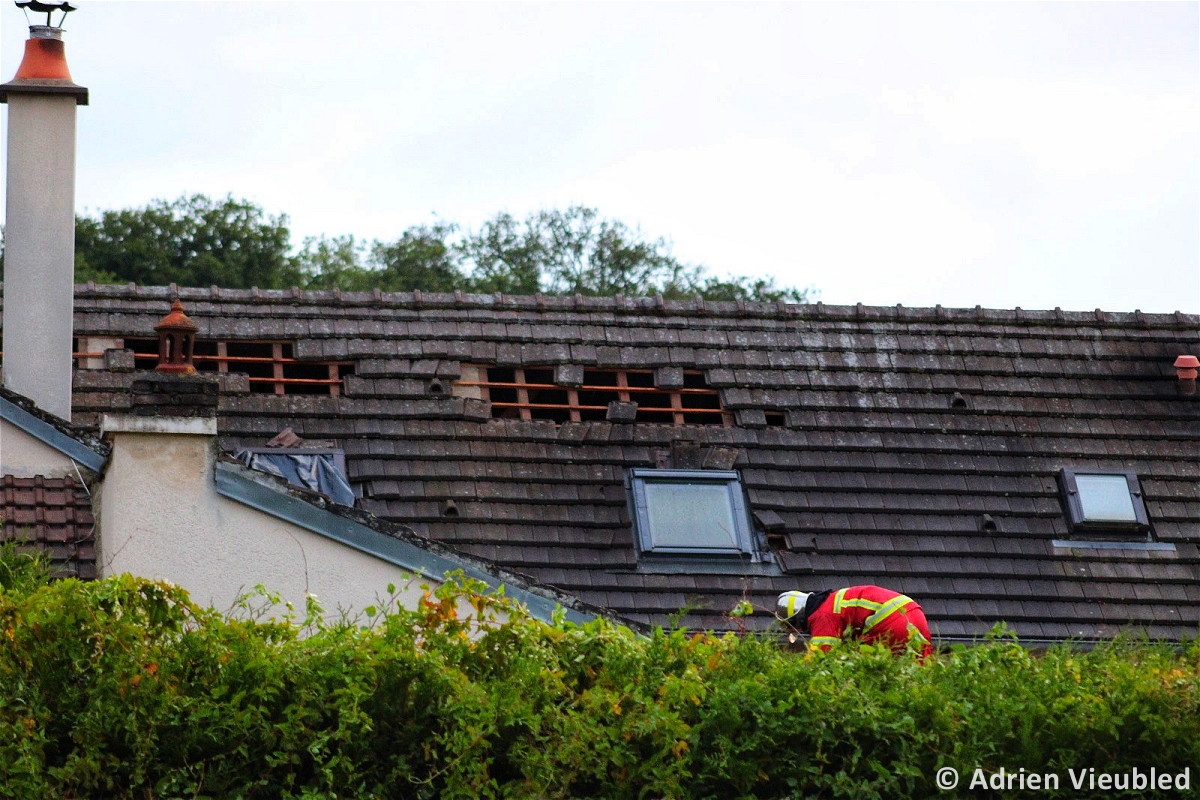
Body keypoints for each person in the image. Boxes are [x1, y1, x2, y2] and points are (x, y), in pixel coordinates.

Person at [776, 585, 933, 659]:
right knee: (920, 673)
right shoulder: (834, 602)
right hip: (915, 614)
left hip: (889, 622)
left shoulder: (822, 617)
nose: (801, 632)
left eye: (796, 628)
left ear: (799, 618)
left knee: (858, 666)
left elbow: (819, 658)